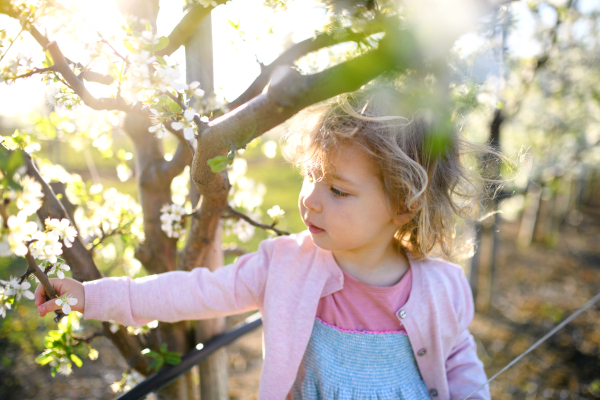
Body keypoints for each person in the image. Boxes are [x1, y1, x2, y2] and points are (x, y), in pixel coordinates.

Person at [36, 86, 492, 400]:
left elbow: (458, 358)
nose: (310, 200)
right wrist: (90, 296)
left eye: (337, 190)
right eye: (310, 177)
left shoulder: (442, 287)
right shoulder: (285, 265)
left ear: (404, 206)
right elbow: (194, 291)